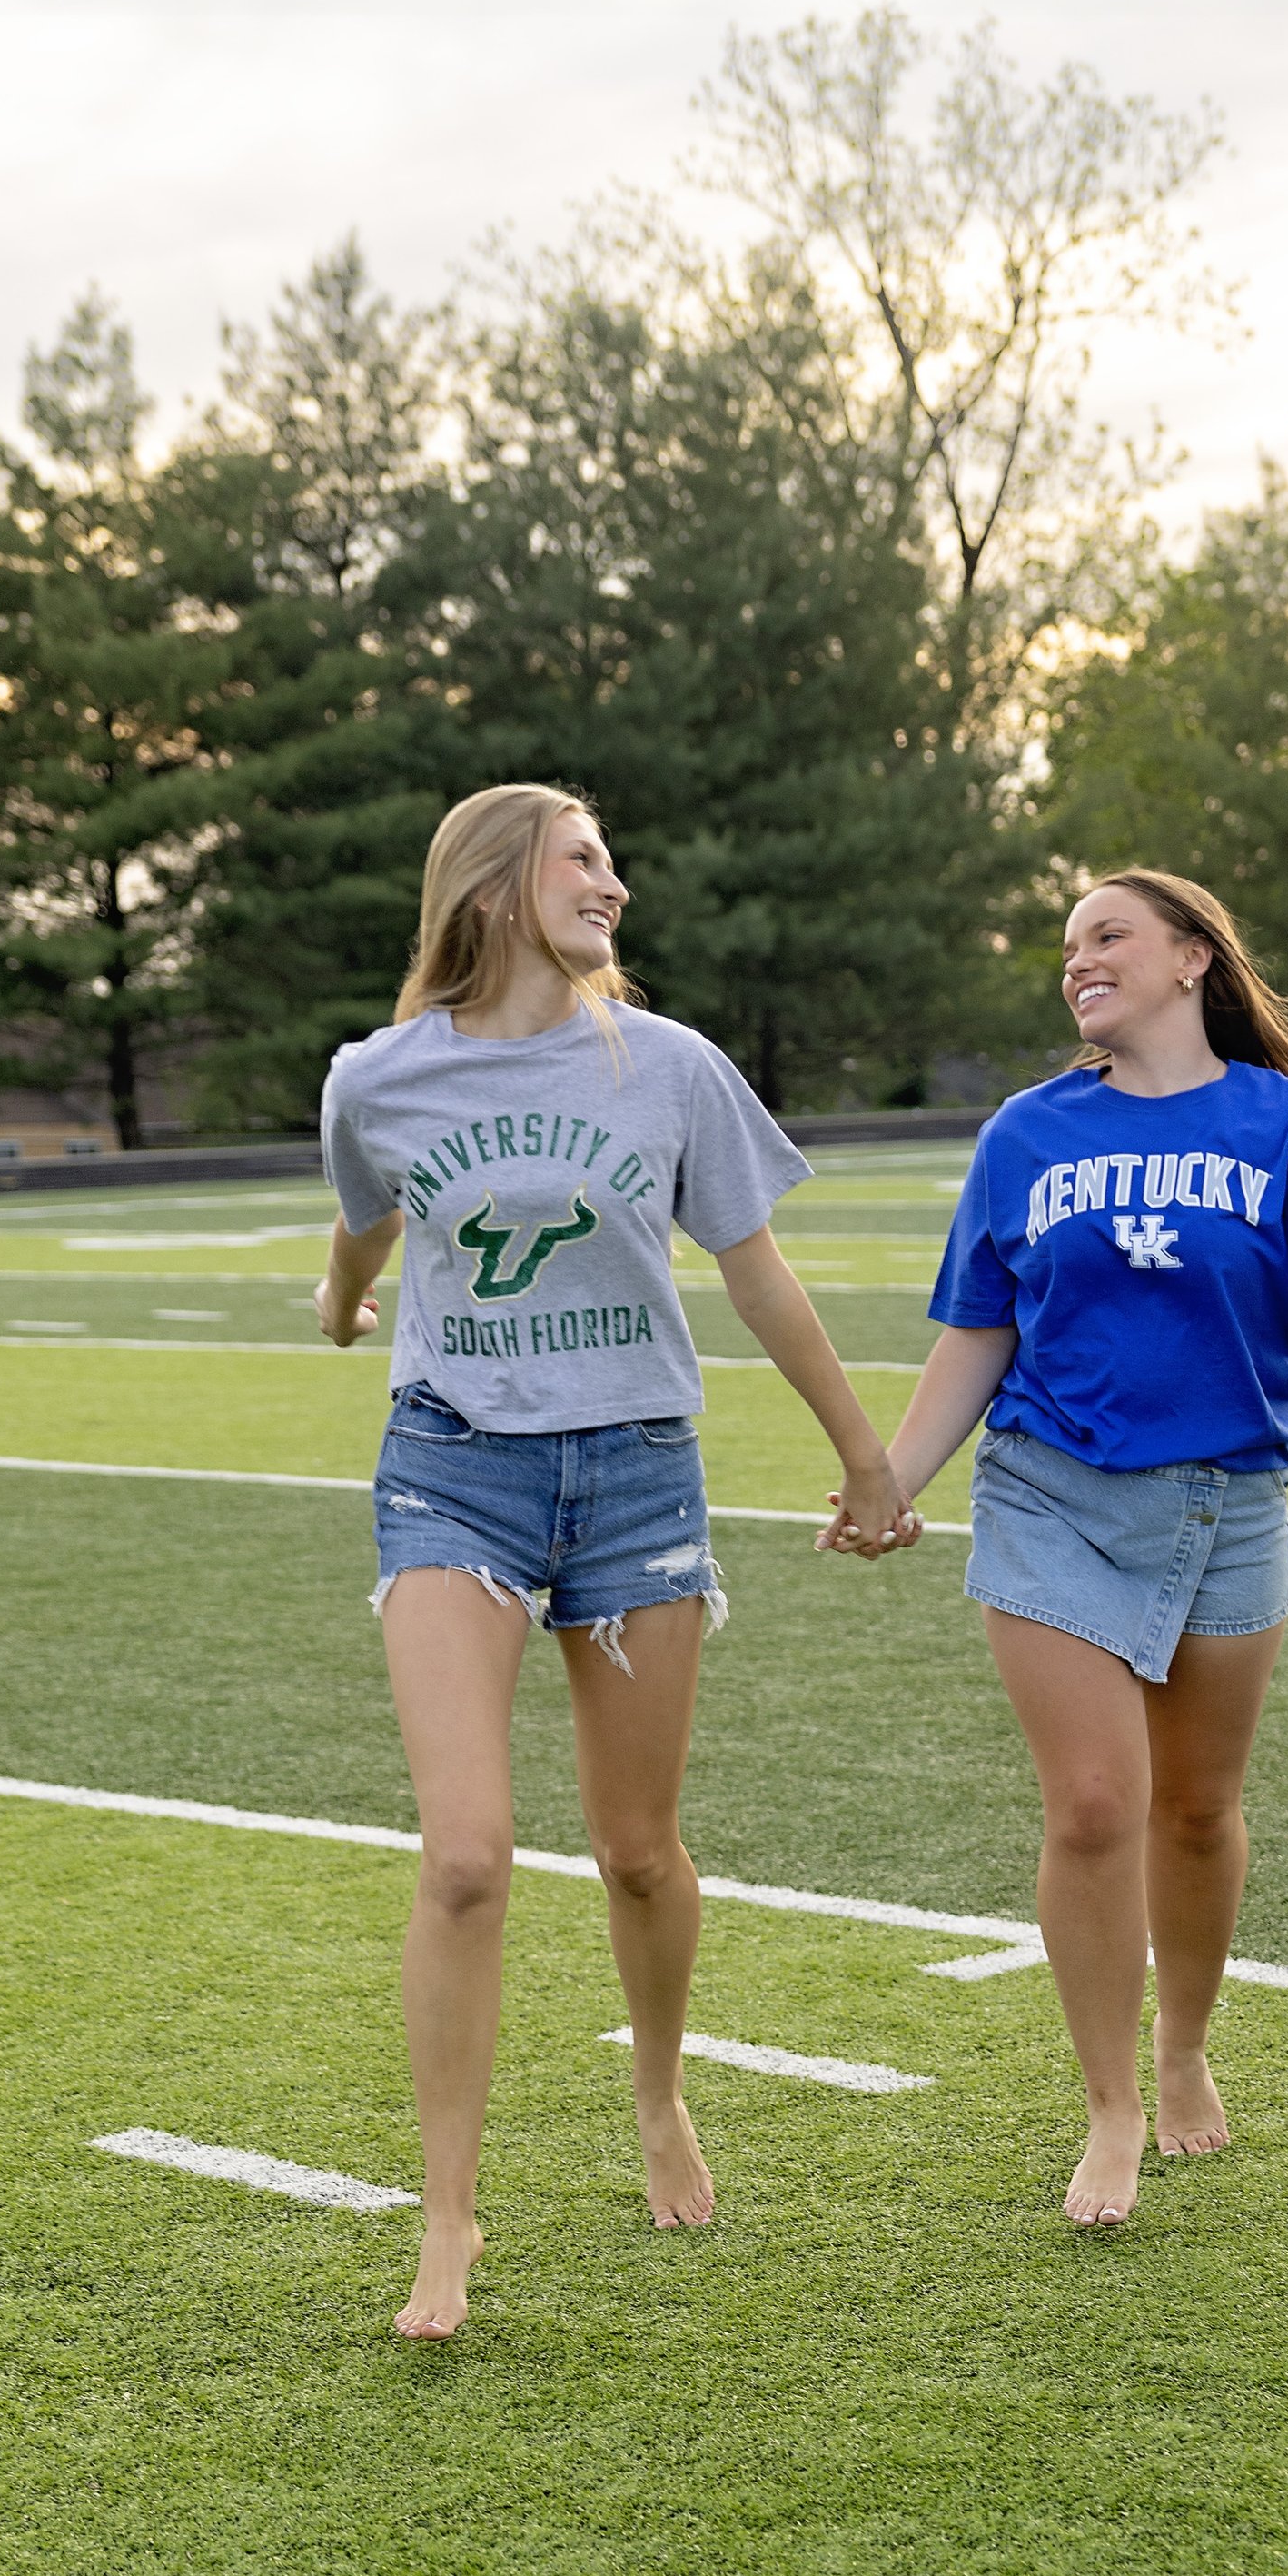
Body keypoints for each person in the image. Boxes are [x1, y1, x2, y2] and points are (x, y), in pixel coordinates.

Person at [316, 782, 916, 2338]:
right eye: (587, 859)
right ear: (502, 882)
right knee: (465, 1855)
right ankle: (448, 2217)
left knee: (638, 1849)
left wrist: (865, 1454)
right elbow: (367, 1218)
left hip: (637, 1474)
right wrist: (340, 1300)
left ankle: (658, 2091)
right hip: (452, 1472)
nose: (617, 884)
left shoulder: (674, 1068)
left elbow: (758, 1272)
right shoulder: (378, 1079)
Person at [845, 869, 1288, 2227]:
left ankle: (1185, 2043)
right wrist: (891, 1478)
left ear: (1194, 957)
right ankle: (1109, 2106)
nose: (1079, 959)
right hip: (1051, 1487)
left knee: (1196, 1809)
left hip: (1228, 1500)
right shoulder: (1027, 1133)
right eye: (1068, 944)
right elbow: (979, 1331)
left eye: (1108, 935)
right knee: (1093, 1803)